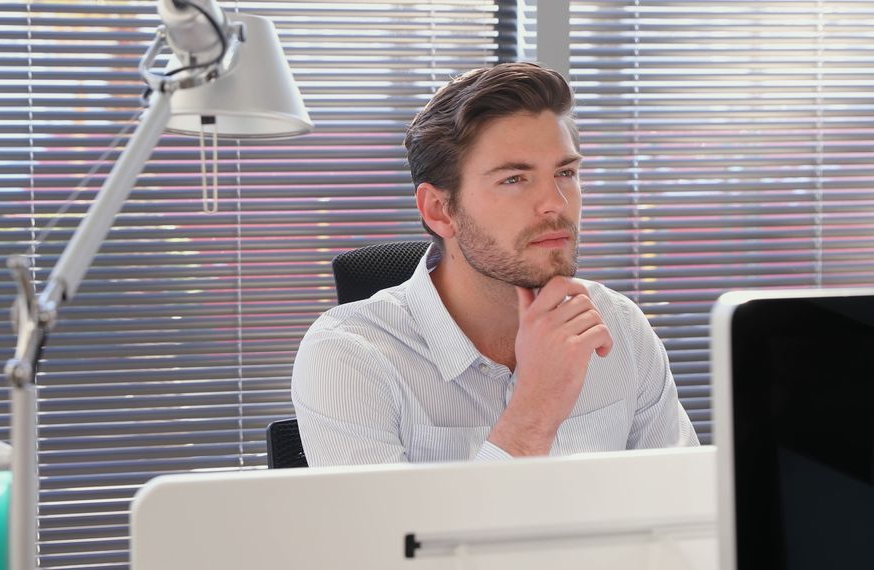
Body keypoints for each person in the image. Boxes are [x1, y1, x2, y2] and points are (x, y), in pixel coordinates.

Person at [291, 62, 698, 466]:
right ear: (439, 211)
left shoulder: (618, 325)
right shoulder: (348, 356)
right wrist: (536, 407)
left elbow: (686, 507)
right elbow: (385, 533)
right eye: (514, 179)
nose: (556, 203)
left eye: (566, 172)